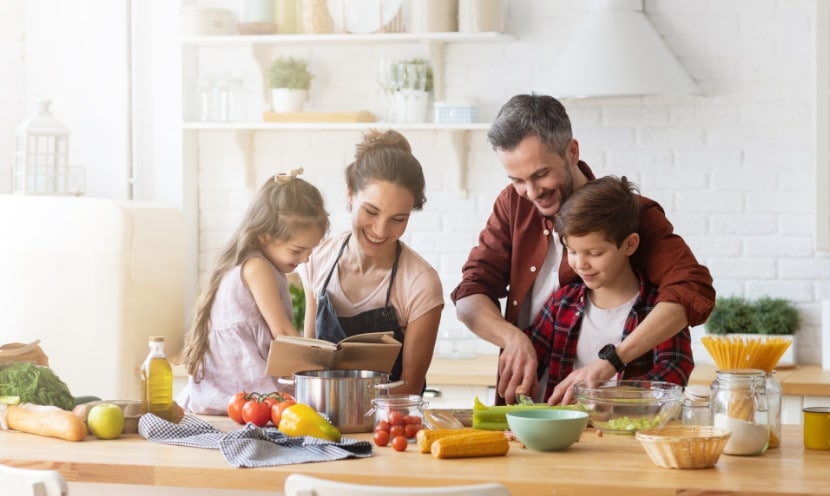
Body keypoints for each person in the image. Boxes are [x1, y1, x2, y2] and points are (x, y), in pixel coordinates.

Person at [451, 94, 715, 405]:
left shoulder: (630, 214)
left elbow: (691, 289)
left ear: (572, 151)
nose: (532, 193)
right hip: (537, 409)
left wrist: (611, 364)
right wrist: (512, 338)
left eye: (540, 174)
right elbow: (470, 293)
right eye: (518, 180)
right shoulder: (513, 203)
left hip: (615, 417)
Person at [299, 129, 444, 395]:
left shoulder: (420, 282)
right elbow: (309, 365)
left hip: (389, 426)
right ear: (351, 196)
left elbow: (410, 387)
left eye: (398, 219)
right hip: (320, 422)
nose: (380, 230)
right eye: (371, 211)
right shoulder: (316, 259)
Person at [526, 176, 693, 403]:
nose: (580, 264)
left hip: (631, 434)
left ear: (630, 244)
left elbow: (674, 371)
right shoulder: (561, 303)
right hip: (563, 434)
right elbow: (530, 361)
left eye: (595, 253)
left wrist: (606, 397)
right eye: (572, 251)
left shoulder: (658, 309)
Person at [177, 168, 329, 414]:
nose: (305, 259)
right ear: (265, 237)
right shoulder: (257, 267)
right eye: (297, 250)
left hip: (229, 390)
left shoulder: (255, 263)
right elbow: (282, 332)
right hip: (242, 388)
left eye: (310, 251)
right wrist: (316, 368)